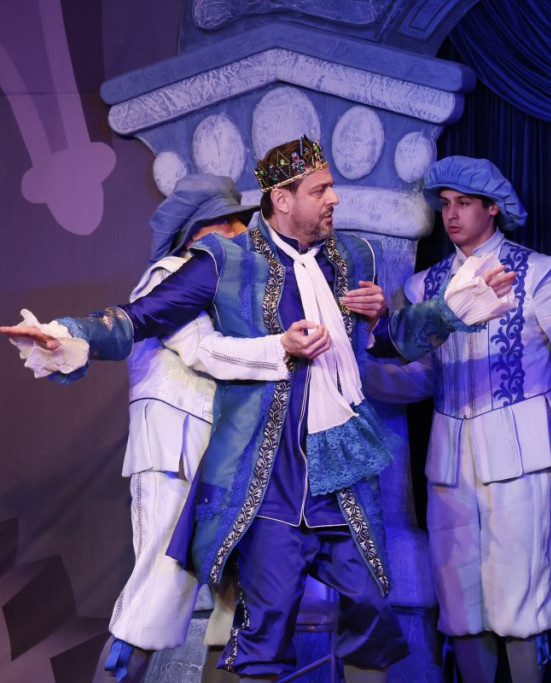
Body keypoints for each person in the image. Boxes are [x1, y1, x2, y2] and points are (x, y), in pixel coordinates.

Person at [2, 138, 514, 681]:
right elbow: (142, 317)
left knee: (370, 611)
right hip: (267, 471)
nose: (334, 199)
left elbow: (387, 342)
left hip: (338, 466)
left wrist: (442, 311)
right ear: (283, 200)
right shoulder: (225, 261)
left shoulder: (351, 257)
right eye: (320, 190)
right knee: (262, 626)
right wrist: (69, 334)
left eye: (332, 187)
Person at [367, 156, 551, 683]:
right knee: (460, 603)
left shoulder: (536, 273)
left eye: (464, 204)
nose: (451, 215)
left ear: (493, 208)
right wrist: (357, 375)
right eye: (445, 205)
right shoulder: (424, 287)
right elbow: (423, 379)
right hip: (450, 461)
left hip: (520, 453)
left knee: (519, 599)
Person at [93, 174, 290, 683]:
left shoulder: (229, 283)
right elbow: (203, 350)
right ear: (199, 231)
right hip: (173, 453)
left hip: (218, 455)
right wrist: (285, 349)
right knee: (158, 590)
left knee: (240, 593)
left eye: (241, 222)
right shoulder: (173, 275)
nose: (242, 232)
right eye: (230, 223)